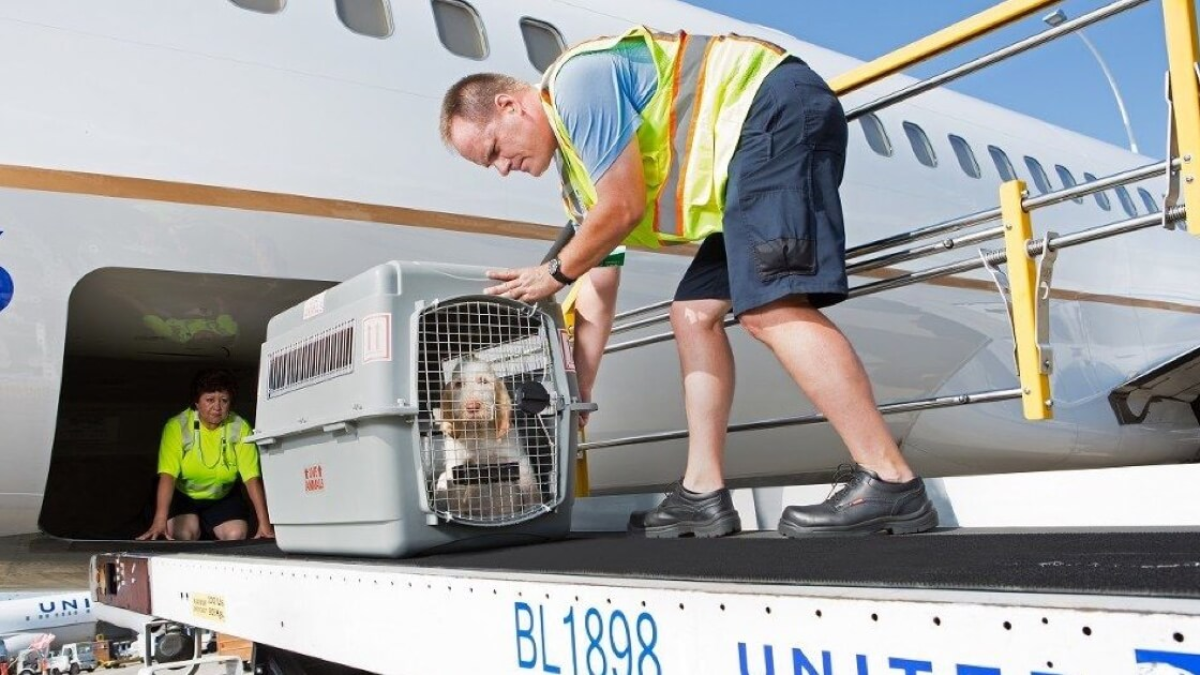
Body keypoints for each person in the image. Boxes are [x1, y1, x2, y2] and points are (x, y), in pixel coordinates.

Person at [439, 26, 939, 538]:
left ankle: (891, 480)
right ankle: (703, 493)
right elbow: (598, 287)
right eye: (490, 165)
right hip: (743, 166)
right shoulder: (578, 180)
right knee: (692, 315)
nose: (502, 169)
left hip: (773, 112)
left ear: (509, 106)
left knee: (769, 307)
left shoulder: (577, 83)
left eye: (495, 149)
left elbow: (624, 206)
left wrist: (552, 272)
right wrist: (578, 395)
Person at [138, 369, 274, 541]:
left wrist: (265, 523)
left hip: (222, 496)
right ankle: (196, 527)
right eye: (210, 400)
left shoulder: (239, 427)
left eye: (224, 400)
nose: (217, 407)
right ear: (196, 402)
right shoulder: (177, 426)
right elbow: (168, 475)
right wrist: (159, 520)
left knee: (236, 534)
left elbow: (251, 478)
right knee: (184, 534)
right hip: (184, 495)